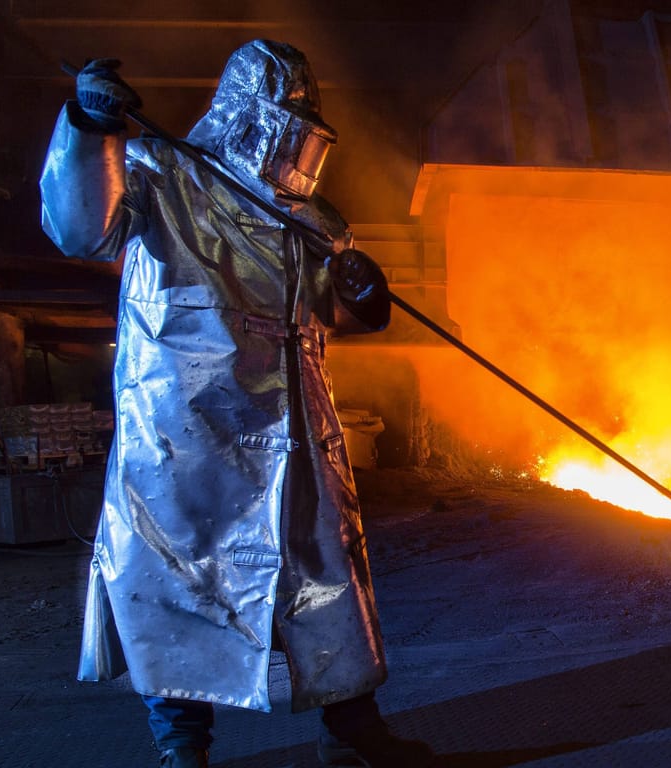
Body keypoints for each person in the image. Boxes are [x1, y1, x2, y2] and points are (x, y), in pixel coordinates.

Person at [39, 40, 433, 768]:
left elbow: (323, 319)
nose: (302, 134)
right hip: (186, 429)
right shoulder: (163, 176)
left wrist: (361, 303)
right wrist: (91, 129)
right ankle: (181, 745)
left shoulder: (313, 221)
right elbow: (79, 229)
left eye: (308, 117)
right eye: (289, 115)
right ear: (249, 114)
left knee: (325, 577)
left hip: (295, 435)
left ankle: (352, 730)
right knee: (178, 578)